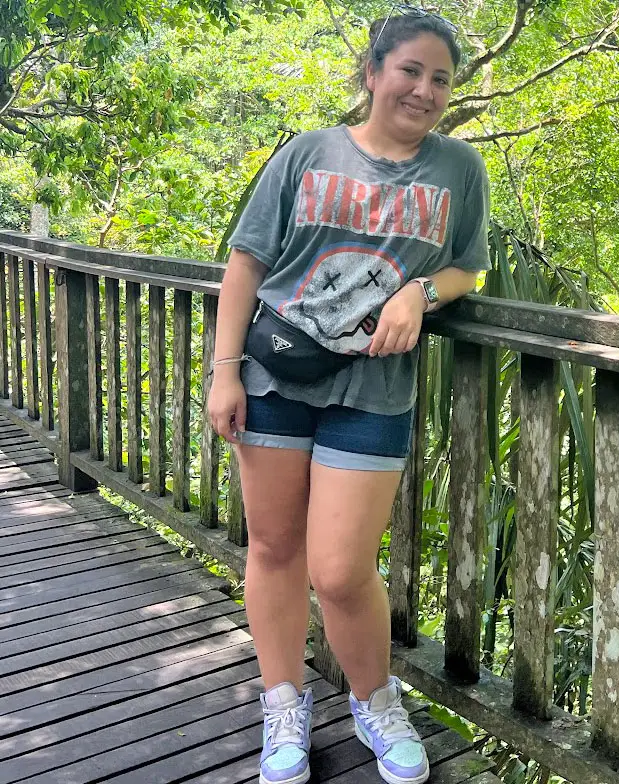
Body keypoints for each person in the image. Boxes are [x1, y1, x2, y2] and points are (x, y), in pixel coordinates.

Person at [206, 8, 489, 784]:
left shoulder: (458, 168)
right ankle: (283, 704)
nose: (425, 90)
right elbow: (247, 264)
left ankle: (375, 701)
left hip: (374, 388)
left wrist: (420, 292)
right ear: (371, 73)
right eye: (410, 71)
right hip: (274, 375)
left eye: (440, 79)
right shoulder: (308, 153)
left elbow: (469, 265)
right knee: (271, 548)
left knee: (338, 569)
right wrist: (223, 371)